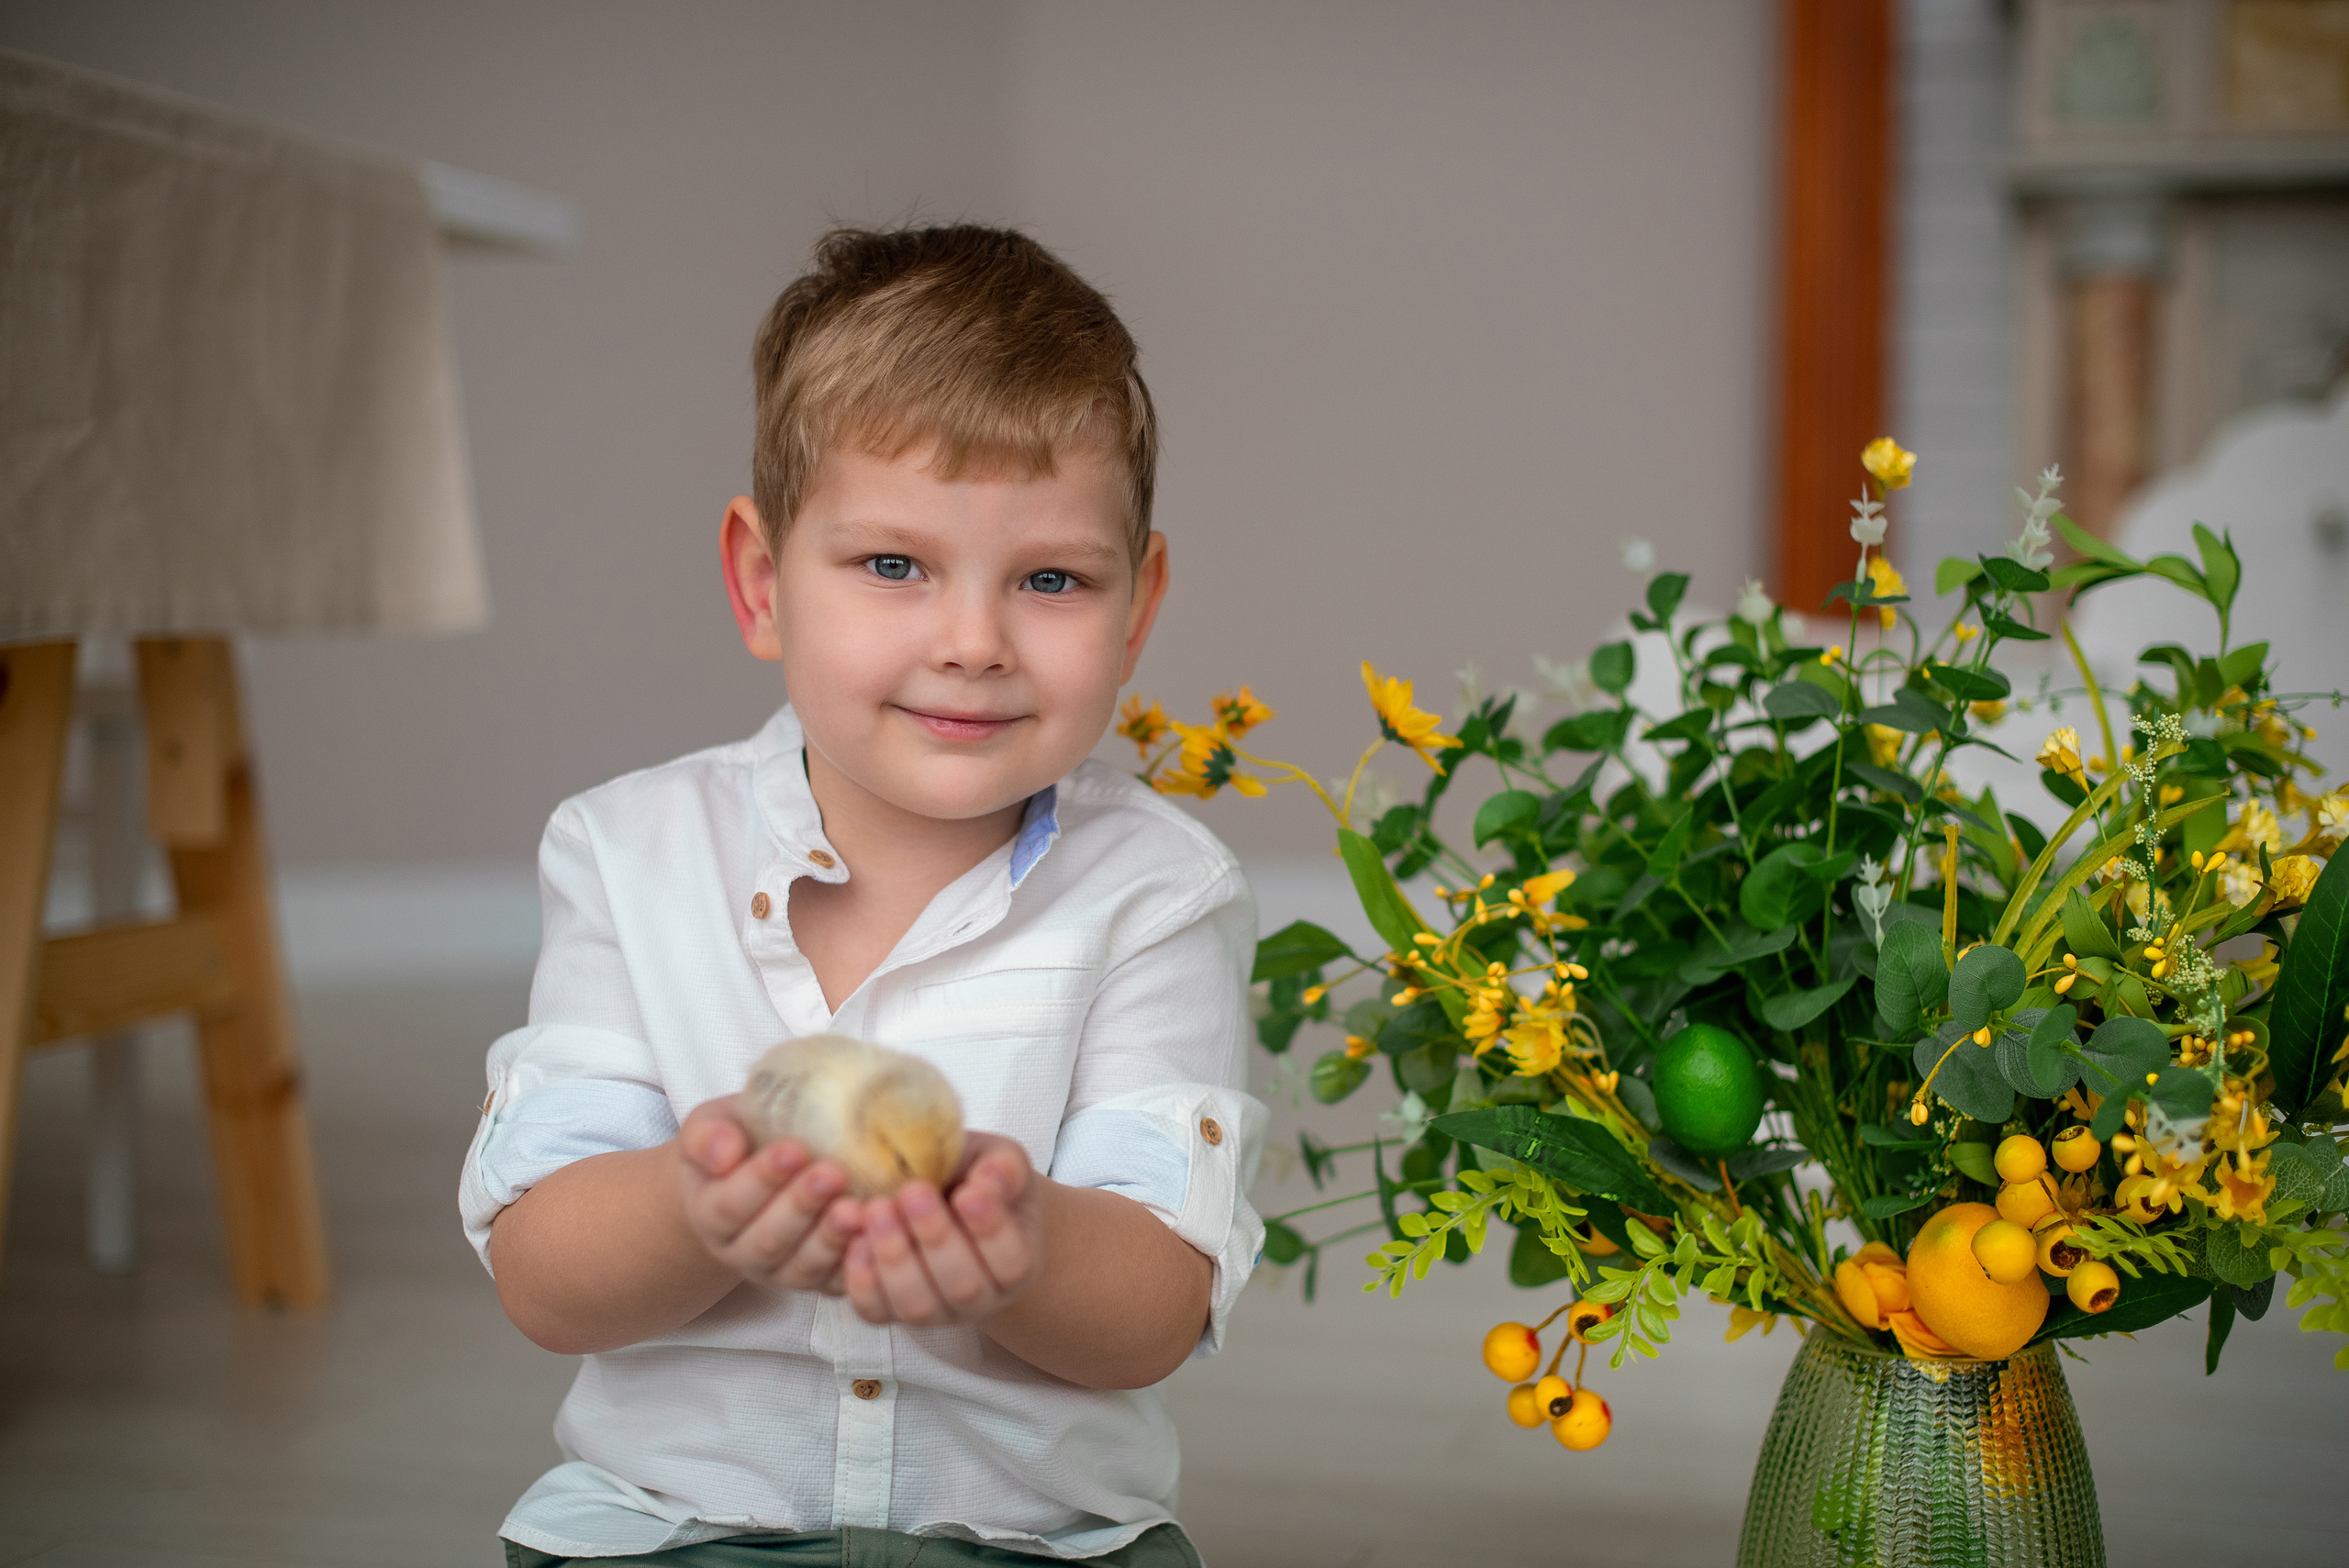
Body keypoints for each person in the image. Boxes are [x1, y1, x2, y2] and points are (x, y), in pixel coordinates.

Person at [460, 225, 1266, 1567]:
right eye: (894, 565)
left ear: (1137, 609)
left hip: (1036, 1540)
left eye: (1051, 579)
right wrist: (693, 1206)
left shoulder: (1159, 893)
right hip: (668, 1530)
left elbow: (1155, 1308)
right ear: (763, 581)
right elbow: (546, 1277)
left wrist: (1024, 1246)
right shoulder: (626, 852)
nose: (972, 641)